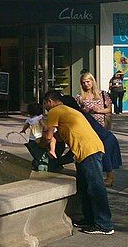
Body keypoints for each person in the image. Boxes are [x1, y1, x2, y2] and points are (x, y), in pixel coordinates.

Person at [43, 90, 113, 235]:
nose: (45, 108)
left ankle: (104, 225)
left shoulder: (55, 111)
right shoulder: (68, 111)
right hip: (86, 151)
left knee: (95, 188)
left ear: (49, 101)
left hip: (88, 151)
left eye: (45, 104)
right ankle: (89, 219)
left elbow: (48, 137)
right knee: (84, 187)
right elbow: (60, 137)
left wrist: (41, 142)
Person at [60, 96, 123, 187]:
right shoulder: (79, 113)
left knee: (106, 159)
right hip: (103, 136)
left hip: (103, 138)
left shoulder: (76, 115)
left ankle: (109, 178)